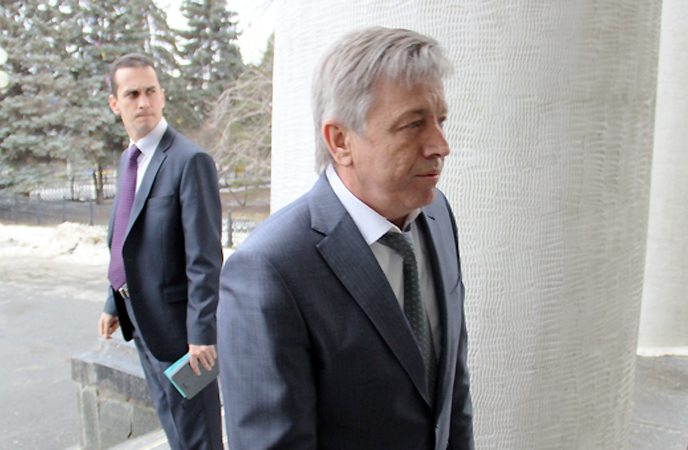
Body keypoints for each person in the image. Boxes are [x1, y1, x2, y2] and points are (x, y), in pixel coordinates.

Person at [218, 27, 474, 450]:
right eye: (413, 124)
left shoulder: (438, 214)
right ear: (340, 141)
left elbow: (452, 392)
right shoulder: (269, 270)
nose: (441, 145)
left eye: (440, 121)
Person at [98, 53, 223, 450]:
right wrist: (112, 301)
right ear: (115, 103)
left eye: (150, 91)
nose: (144, 102)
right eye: (132, 94)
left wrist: (202, 333)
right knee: (175, 429)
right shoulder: (129, 159)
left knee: (200, 435)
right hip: (140, 320)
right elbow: (125, 236)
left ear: (162, 95)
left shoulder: (190, 161)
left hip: (182, 335)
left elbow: (205, 259)